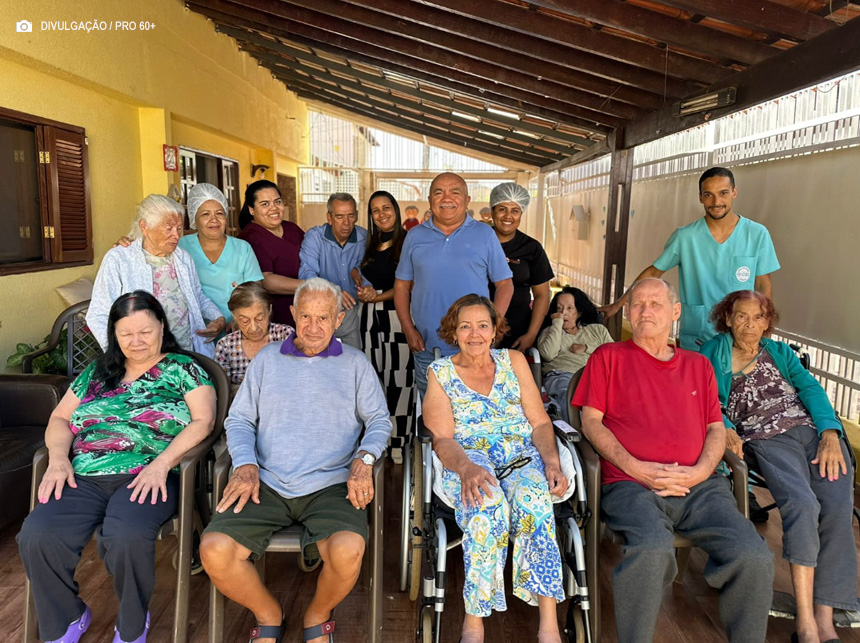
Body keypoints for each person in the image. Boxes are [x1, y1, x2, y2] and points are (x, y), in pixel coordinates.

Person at [572, 278, 774, 643]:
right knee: (651, 549)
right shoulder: (608, 357)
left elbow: (715, 428)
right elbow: (591, 423)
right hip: (631, 485)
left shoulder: (698, 365)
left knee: (754, 556)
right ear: (628, 312)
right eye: (638, 304)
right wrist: (637, 469)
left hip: (701, 487)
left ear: (675, 312)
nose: (645, 311)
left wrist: (700, 472)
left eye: (656, 304)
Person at [199, 278, 391, 643]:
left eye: (324, 318)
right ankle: (268, 614)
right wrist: (245, 465)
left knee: (349, 550)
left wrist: (364, 460)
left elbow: (379, 421)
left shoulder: (355, 363)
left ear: (338, 319)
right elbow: (239, 420)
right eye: (306, 316)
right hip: (265, 481)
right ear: (292, 314)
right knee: (214, 550)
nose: (314, 327)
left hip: (331, 484)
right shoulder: (267, 360)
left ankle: (317, 614)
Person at [18, 291, 216, 643]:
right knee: (38, 535)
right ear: (114, 334)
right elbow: (60, 418)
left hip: (149, 474)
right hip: (84, 474)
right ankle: (67, 617)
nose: (136, 341)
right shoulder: (97, 371)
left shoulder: (183, 368)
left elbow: (204, 421)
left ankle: (132, 624)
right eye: (126, 334)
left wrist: (162, 464)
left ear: (162, 326)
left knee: (125, 536)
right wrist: (59, 459)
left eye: (146, 331)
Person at [700, 291, 858, 643]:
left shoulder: (780, 352)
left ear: (767, 321)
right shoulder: (713, 352)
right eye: (741, 316)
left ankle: (825, 619)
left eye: (758, 317)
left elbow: (811, 390)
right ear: (728, 319)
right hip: (767, 438)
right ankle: (805, 624)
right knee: (802, 505)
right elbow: (703, 397)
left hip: (812, 432)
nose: (750, 325)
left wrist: (830, 432)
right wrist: (725, 426)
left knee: (837, 508)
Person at [423, 295, 568, 643]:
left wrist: (552, 462)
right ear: (453, 332)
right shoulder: (440, 372)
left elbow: (540, 422)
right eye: (465, 326)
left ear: (494, 330)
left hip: (521, 454)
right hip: (468, 458)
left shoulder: (513, 361)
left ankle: (548, 625)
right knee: (486, 507)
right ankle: (474, 624)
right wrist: (466, 468)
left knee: (535, 502)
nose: (475, 334)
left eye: (482, 326)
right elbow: (442, 439)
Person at [600, 167, 780, 351]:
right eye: (708, 195)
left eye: (723, 193)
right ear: (700, 197)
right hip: (698, 336)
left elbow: (763, 285)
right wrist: (617, 305)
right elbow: (654, 272)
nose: (716, 202)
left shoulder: (757, 234)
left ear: (734, 192)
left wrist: (764, 332)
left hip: (742, 334)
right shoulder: (685, 237)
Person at [395, 172, 514, 398]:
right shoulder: (414, 236)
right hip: (427, 348)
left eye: (455, 192)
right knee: (433, 414)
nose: (446, 198)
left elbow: (505, 284)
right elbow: (401, 286)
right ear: (430, 200)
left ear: (467, 200)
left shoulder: (485, 234)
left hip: (475, 348)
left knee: (474, 411)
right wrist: (408, 329)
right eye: (438, 192)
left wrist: (492, 327)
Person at [87, 195, 226, 357]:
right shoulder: (119, 259)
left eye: (179, 228)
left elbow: (197, 296)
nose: (176, 235)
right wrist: (122, 353)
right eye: (169, 228)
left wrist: (218, 317)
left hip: (185, 351)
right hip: (140, 356)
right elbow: (98, 314)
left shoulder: (183, 257)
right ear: (144, 226)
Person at [352, 190, 414, 458]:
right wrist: (360, 283)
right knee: (374, 381)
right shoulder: (369, 242)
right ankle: (379, 443)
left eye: (386, 208)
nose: (381, 214)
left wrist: (377, 296)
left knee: (399, 381)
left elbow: (410, 284)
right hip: (369, 319)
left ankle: (399, 445)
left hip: (397, 316)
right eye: (375, 210)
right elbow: (356, 268)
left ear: (395, 210)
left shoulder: (408, 241)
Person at [178, 183, 264, 322]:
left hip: (236, 327)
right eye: (205, 214)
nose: (214, 219)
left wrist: (237, 321)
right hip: (194, 327)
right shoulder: (181, 247)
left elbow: (255, 291)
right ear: (194, 219)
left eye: (219, 213)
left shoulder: (242, 248)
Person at [299, 193, 368, 350]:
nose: (346, 223)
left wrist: (366, 285)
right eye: (339, 216)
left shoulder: (364, 237)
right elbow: (307, 275)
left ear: (357, 216)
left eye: (351, 216)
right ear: (329, 218)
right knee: (317, 360)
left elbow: (366, 270)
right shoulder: (314, 237)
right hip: (319, 313)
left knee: (354, 359)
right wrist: (334, 292)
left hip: (353, 314)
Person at [489, 182, 553, 350]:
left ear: (521, 213)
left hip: (517, 332)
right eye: (502, 209)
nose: (508, 216)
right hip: (476, 331)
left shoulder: (532, 248)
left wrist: (531, 335)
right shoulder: (478, 242)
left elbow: (542, 295)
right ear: (492, 211)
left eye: (515, 211)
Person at [537, 287, 613, 421]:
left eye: (569, 308)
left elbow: (614, 356)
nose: (563, 313)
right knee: (571, 396)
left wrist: (587, 348)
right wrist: (557, 324)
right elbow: (548, 354)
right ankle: (579, 431)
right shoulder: (550, 332)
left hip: (595, 377)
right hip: (561, 375)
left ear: (579, 311)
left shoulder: (598, 330)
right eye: (559, 309)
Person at [239, 180, 305, 327]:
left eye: (277, 201)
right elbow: (266, 281)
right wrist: (311, 285)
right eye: (265, 204)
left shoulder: (292, 228)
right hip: (276, 318)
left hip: (305, 309)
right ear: (251, 209)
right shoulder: (250, 238)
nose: (274, 208)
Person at [215, 281, 294, 388]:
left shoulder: (285, 335)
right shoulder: (226, 346)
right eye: (245, 321)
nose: (254, 328)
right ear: (234, 316)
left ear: (269, 310)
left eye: (260, 319)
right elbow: (224, 390)